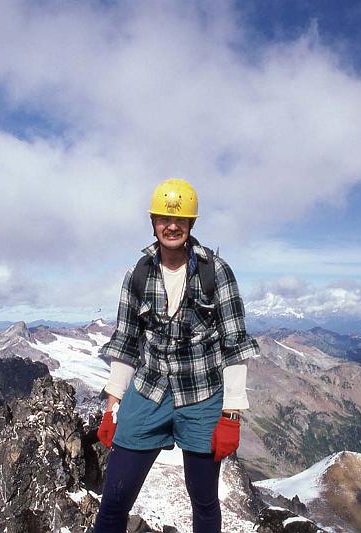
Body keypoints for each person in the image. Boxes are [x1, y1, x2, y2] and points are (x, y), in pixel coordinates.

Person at [93, 178, 260, 532]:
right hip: (148, 390)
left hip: (201, 395)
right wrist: (112, 406)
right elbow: (126, 340)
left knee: (203, 500)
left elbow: (234, 343)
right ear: (153, 222)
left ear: (191, 225)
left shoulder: (216, 272)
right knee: (113, 501)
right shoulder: (137, 274)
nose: (172, 227)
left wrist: (231, 414)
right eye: (164, 220)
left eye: (180, 221)